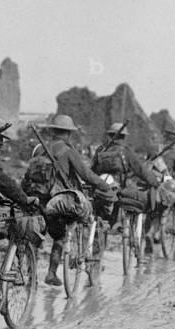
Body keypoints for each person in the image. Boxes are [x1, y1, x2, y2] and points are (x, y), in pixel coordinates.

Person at [27, 114, 115, 286]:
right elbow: (86, 174)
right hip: (57, 200)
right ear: (68, 133)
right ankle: (51, 273)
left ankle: (31, 277)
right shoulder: (68, 151)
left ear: (52, 130)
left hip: (37, 198)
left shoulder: (39, 149)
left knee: (35, 239)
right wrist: (105, 186)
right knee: (59, 236)